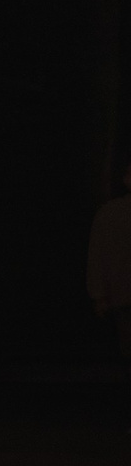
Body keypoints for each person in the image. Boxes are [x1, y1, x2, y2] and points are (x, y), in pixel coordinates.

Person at [91, 164, 131, 402]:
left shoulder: (110, 213)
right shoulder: (110, 213)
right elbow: (97, 255)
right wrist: (99, 294)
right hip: (123, 294)